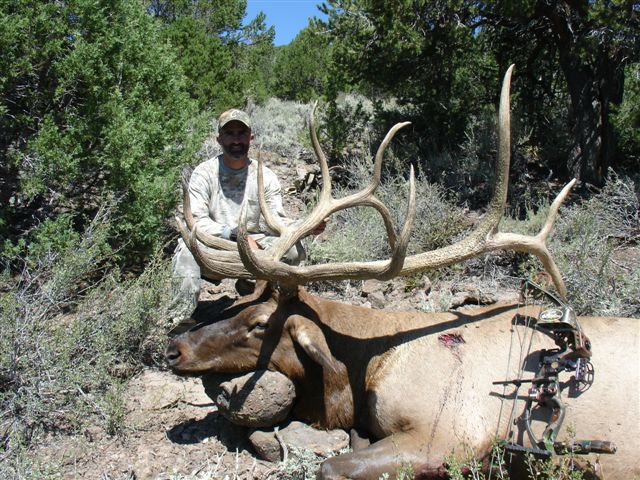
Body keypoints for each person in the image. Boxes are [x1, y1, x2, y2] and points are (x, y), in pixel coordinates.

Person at [171, 108, 317, 321]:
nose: (236, 139)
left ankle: (270, 303)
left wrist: (306, 227)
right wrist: (234, 235)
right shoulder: (204, 173)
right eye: (229, 133)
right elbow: (196, 221)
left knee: (292, 251)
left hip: (255, 244)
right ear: (219, 139)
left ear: (251, 137)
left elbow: (276, 221)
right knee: (186, 249)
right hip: (215, 242)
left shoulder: (265, 176)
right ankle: (180, 319)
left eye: (241, 133)